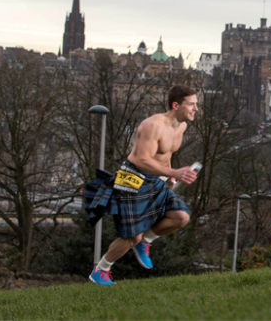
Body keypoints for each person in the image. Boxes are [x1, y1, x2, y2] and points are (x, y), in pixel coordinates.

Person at [84, 85, 199, 285]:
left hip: (156, 179)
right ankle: (100, 270)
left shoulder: (181, 126)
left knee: (180, 217)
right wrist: (174, 172)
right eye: (191, 104)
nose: (196, 109)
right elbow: (142, 160)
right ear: (175, 105)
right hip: (133, 179)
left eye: (196, 104)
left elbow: (165, 154)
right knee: (132, 237)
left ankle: (145, 242)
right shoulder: (153, 125)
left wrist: (169, 175)